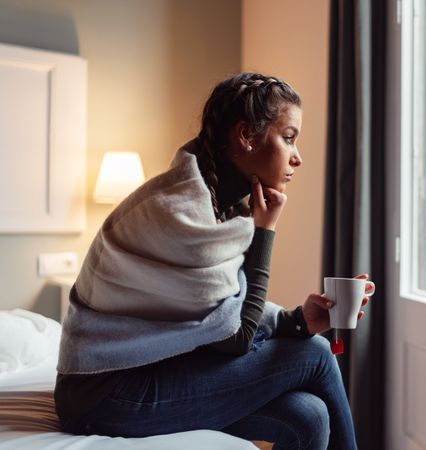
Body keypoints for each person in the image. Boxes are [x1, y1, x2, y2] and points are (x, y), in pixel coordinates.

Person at [54, 72, 371, 449]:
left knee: (309, 416)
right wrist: (265, 231)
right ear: (245, 136)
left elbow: (214, 310)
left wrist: (297, 321)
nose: (297, 157)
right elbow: (234, 338)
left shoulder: (214, 203)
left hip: (146, 373)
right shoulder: (179, 212)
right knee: (317, 354)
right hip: (103, 393)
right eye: (288, 138)